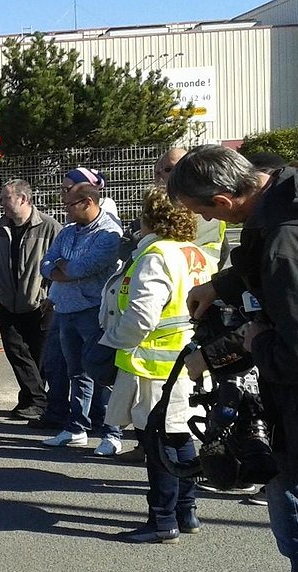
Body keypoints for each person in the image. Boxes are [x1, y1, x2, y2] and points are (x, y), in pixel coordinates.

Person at [170, 145, 298, 572]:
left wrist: (254, 336)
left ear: (226, 197)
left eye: (206, 212)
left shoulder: (286, 242)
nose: (204, 221)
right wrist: (220, 284)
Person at [99, 187, 216, 542]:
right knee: (181, 438)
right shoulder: (197, 253)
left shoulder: (155, 254)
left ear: (150, 216)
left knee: (159, 446)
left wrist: (112, 339)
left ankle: (162, 520)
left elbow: (141, 314)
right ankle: (186, 511)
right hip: (192, 361)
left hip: (157, 366)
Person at [39, 182, 124, 455]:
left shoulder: (108, 233)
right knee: (76, 372)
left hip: (94, 311)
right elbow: (46, 263)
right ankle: (77, 427)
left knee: (103, 372)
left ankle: (112, 433)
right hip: (65, 310)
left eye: (70, 205)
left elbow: (81, 267)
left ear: (88, 202)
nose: (65, 210)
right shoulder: (66, 232)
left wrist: (64, 268)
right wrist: (64, 268)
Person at [0, 179, 61, 421]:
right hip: (6, 303)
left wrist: (50, 295)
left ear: (23, 199)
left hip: (40, 304)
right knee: (16, 351)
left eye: (7, 198)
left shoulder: (50, 227)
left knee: (38, 355)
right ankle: (38, 400)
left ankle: (31, 400)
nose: (3, 203)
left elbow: (60, 264)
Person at [153, 147, 229, 263]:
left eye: (171, 169)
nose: (161, 177)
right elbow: (126, 247)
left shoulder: (203, 203)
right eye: (160, 172)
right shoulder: (155, 206)